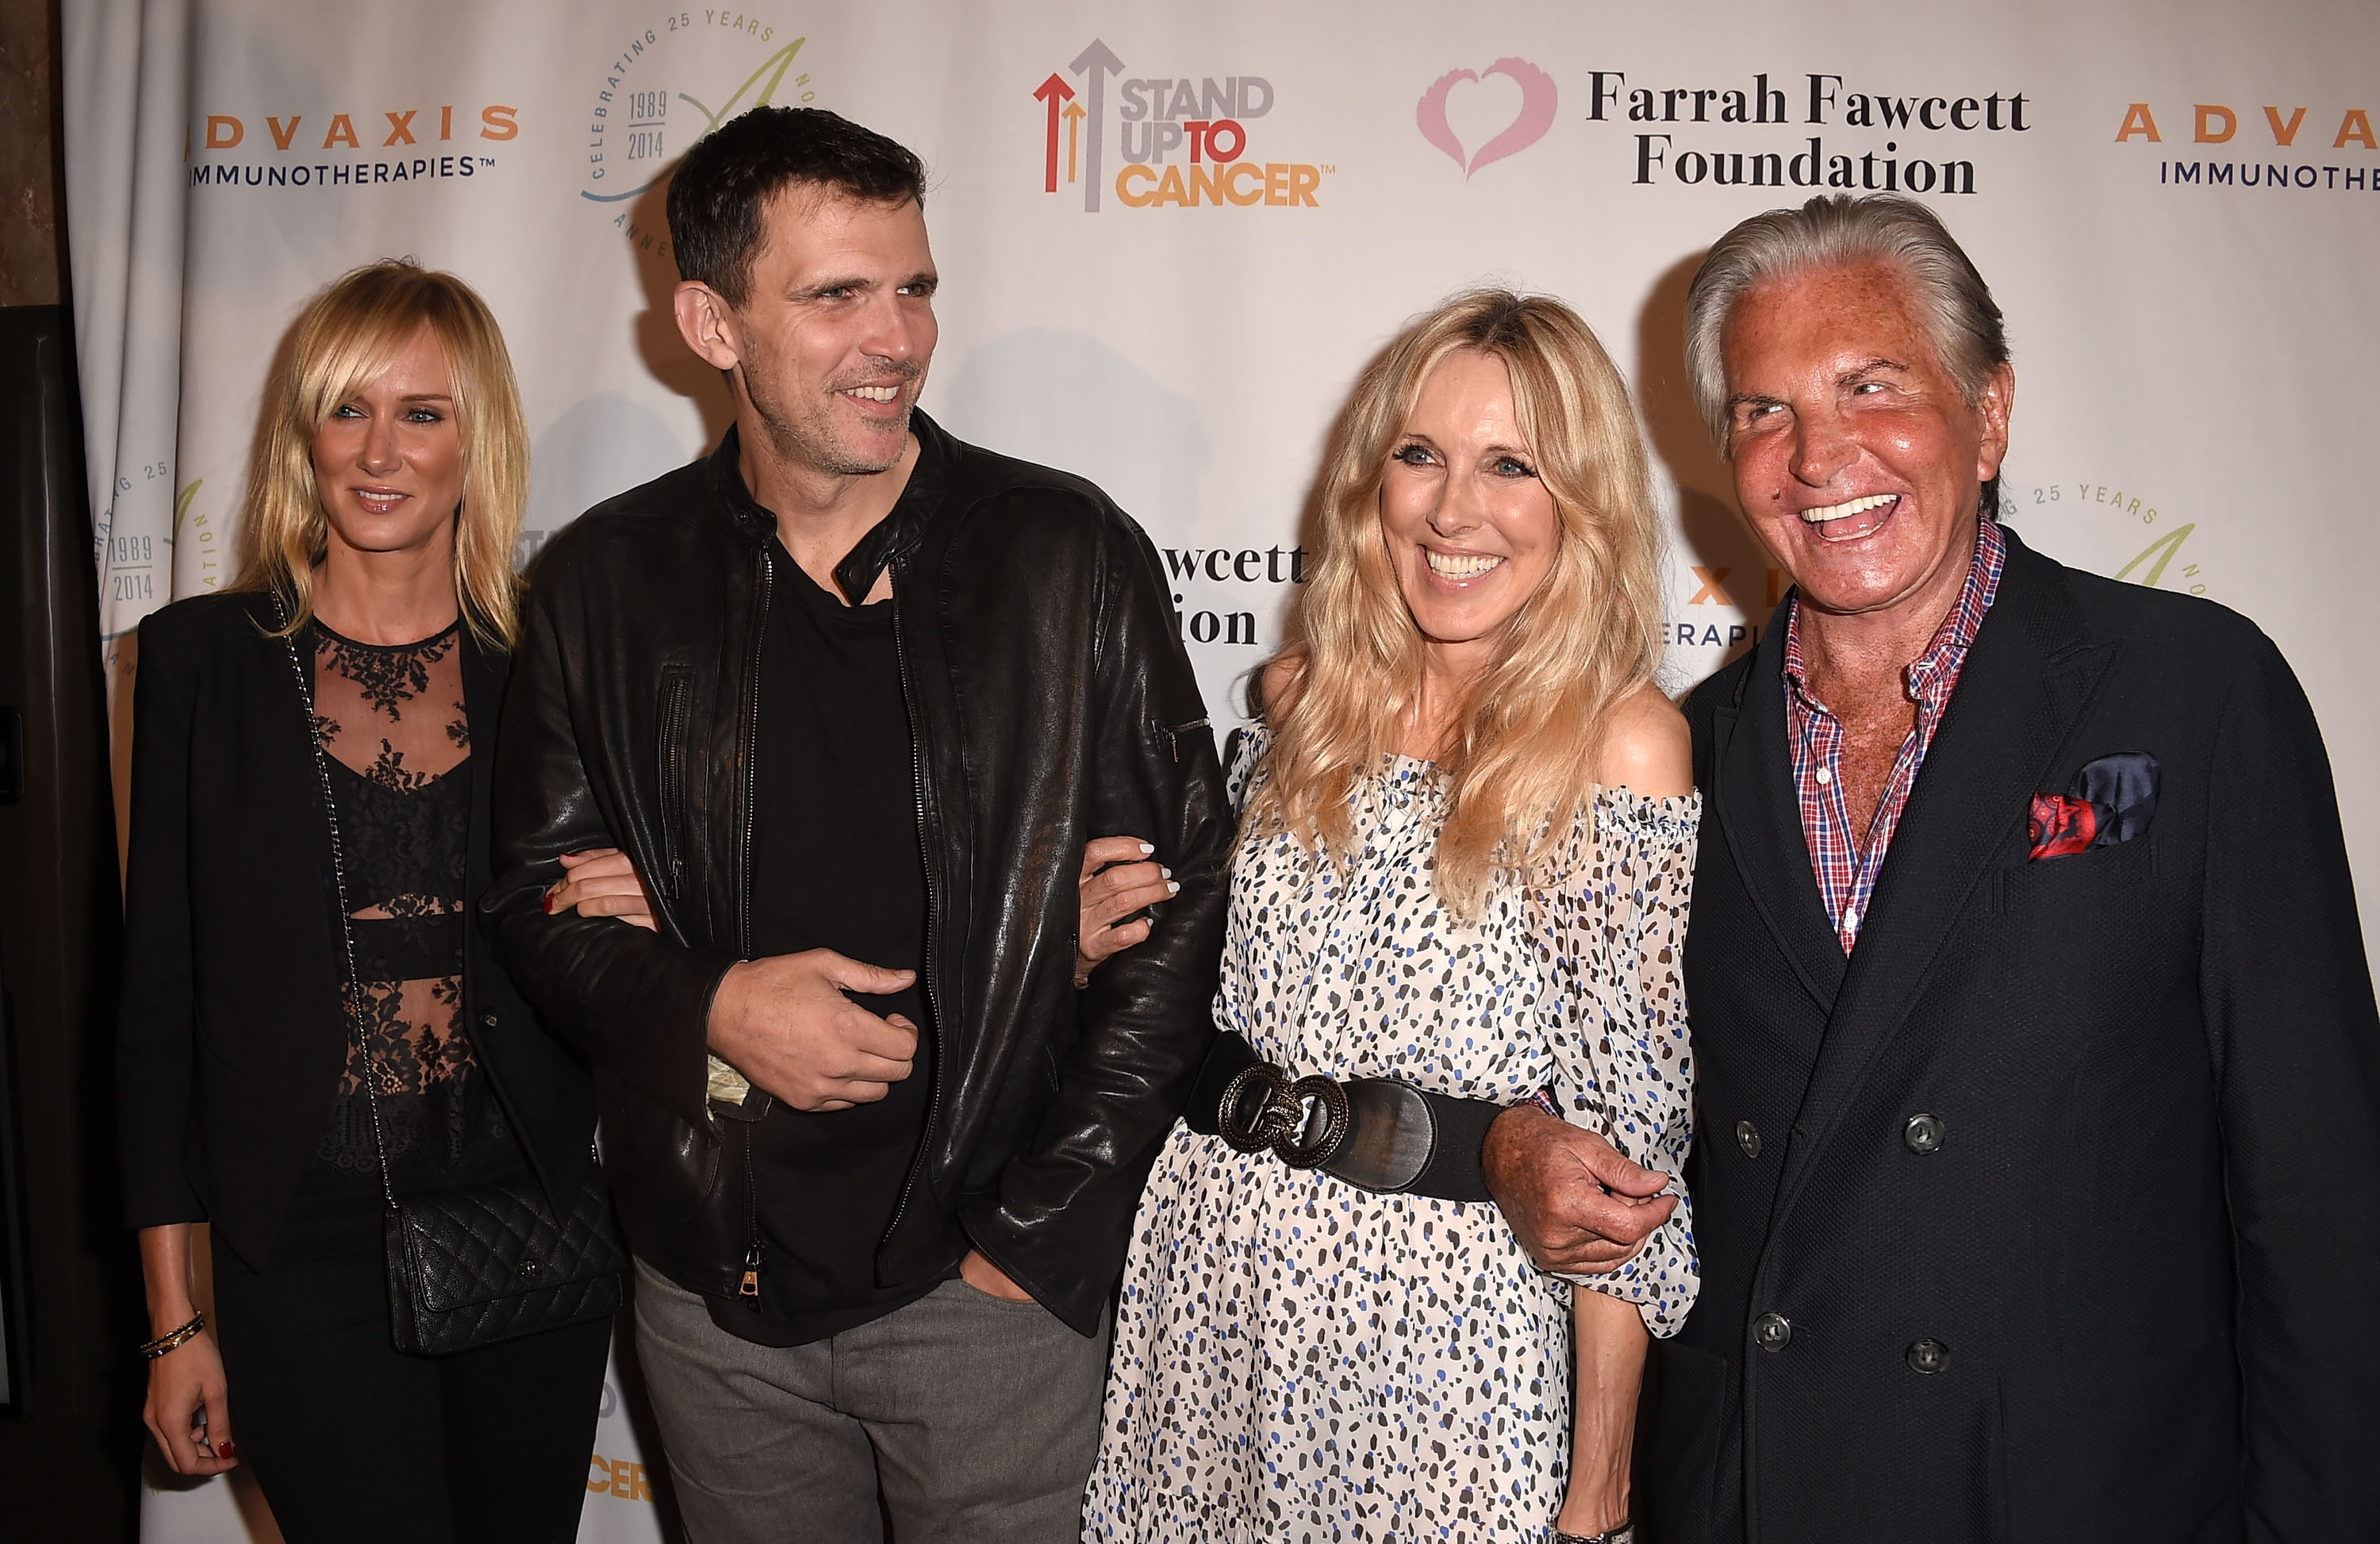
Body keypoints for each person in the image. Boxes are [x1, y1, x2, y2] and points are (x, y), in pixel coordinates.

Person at [1485, 194, 2380, 1542]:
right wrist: (1516, 1143)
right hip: (1762, 1488)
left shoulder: (2191, 697)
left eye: (1872, 386)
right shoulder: (1679, 755)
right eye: (1763, 410)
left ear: (1992, 411)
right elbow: (1602, 1086)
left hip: (2079, 1495)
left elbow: (2324, 1202)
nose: (1817, 455)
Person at [482, 106, 1232, 1542]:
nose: (897, 336)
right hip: (716, 1294)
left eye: (918, 286)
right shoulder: (603, 584)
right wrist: (713, 1002)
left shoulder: (1064, 555)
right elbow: (534, 906)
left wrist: (1040, 1233)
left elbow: (1182, 914)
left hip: (988, 1294)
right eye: (837, 295)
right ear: (712, 319)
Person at [1082, 290, 1698, 1543]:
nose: (1455, 509)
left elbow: (1623, 1166)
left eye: (1512, 466)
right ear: (1372, 481)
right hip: (1215, 1308)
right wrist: (1105, 928)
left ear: (1583, 506)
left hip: (1450, 1359)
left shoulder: (1620, 744)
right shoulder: (1299, 700)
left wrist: (1596, 1495)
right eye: (1421, 454)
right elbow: (1218, 1001)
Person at [117, 260, 631, 1543]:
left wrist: (644, 906)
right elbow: (158, 1010)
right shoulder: (198, 664)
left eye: (423, 412)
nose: (380, 450)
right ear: (304, 434)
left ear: (479, 438)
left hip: (530, 1214)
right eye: (347, 409)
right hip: (303, 1238)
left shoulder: (554, 672)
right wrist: (176, 1321)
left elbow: (644, 947)